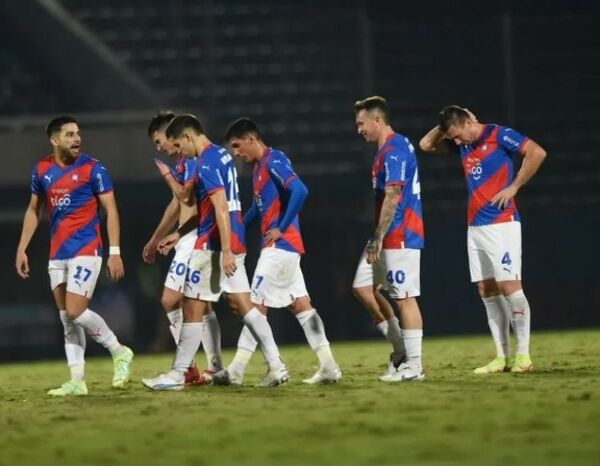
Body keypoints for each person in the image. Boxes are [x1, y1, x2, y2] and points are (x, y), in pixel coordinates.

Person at [142, 114, 289, 390]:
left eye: (178, 145)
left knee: (192, 305)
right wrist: (183, 234)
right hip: (235, 237)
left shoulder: (206, 161)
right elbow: (213, 206)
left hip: (213, 244)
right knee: (245, 307)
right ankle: (277, 365)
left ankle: (177, 374)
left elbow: (219, 206)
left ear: (187, 137)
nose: (180, 153)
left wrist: (224, 251)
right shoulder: (222, 155)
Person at [212, 117, 342, 386]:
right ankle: (329, 366)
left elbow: (300, 190)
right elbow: (257, 210)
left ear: (251, 138)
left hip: (280, 247)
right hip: (283, 248)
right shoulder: (259, 169)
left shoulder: (274, 160)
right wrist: (236, 227)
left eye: (237, 146)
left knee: (254, 306)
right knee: (301, 305)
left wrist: (282, 227)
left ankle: (237, 369)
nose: (236, 153)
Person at [419, 105, 546, 373]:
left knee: (510, 286)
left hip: (502, 223)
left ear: (468, 122)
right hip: (475, 227)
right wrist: (445, 127)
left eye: (456, 135)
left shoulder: (498, 134)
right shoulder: (461, 144)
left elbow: (536, 152)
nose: (455, 141)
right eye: (450, 137)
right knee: (486, 290)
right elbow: (426, 144)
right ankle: (501, 357)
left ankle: (523, 356)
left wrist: (513, 187)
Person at [15, 116, 133, 396]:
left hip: (87, 249)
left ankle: (120, 351)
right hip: (58, 253)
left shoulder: (94, 169)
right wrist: (22, 247)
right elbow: (34, 210)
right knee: (66, 317)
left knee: (77, 311)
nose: (76, 138)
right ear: (54, 140)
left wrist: (114, 251)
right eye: (69, 135)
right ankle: (77, 381)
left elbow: (112, 211)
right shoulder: (42, 170)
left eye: (78, 133)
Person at [142, 111, 222, 384]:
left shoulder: (191, 160)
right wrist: (157, 237)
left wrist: (179, 233)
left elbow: (189, 200)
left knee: (171, 299)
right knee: (206, 304)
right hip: (190, 236)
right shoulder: (185, 161)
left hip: (195, 237)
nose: (159, 147)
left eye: (158, 140)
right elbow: (177, 204)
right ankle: (214, 366)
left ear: (171, 132)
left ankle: (187, 370)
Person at [353, 96, 425, 382]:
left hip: (400, 233)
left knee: (404, 298)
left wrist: (378, 237)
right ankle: (400, 351)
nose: (359, 129)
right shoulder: (387, 148)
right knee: (362, 288)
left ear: (377, 120)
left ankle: (414, 366)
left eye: (361, 123)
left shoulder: (394, 150)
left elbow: (394, 195)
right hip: (387, 233)